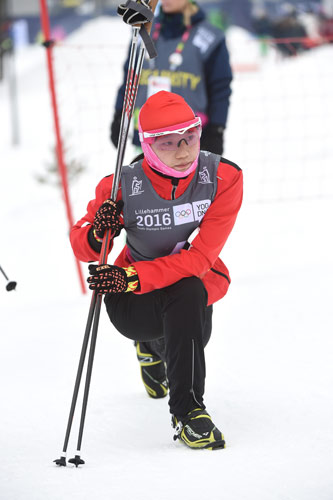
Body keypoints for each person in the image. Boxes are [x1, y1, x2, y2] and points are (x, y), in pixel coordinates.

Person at [71, 91, 243, 450]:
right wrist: (99, 230)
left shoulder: (223, 178)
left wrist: (134, 276)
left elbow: (200, 259)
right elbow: (82, 245)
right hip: (131, 302)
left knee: (191, 299)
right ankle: (188, 413)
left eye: (189, 138)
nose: (182, 152)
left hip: (163, 285)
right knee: (186, 304)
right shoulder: (121, 184)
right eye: (167, 144)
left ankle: (155, 350)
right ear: (147, 146)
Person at [110, 0, 233, 156]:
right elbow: (130, 78)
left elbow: (220, 88)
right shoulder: (144, 31)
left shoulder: (210, 38)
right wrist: (119, 113)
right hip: (148, 137)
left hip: (187, 142)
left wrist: (217, 128)